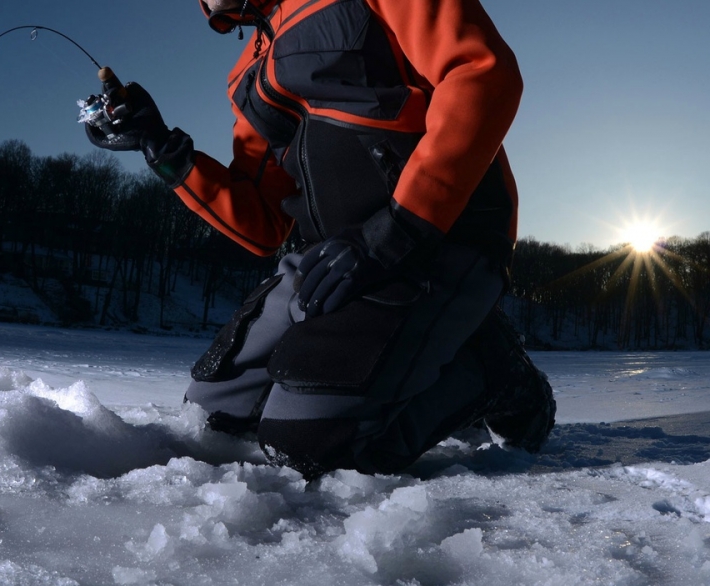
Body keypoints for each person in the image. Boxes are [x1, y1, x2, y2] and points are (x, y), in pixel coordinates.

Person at [85, 0, 555, 479]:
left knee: (311, 447)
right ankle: (424, 356)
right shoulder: (246, 72)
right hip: (332, 260)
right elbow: (264, 223)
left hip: (436, 240)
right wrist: (162, 149)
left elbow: (482, 72)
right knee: (211, 423)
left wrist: (394, 231)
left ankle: (490, 370)